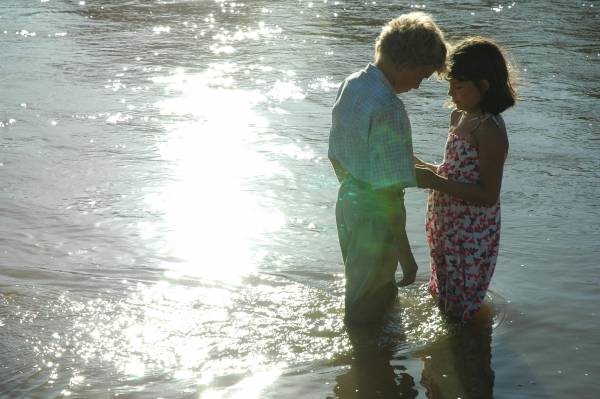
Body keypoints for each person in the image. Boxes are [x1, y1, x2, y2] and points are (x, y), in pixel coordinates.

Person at [328, 12, 448, 323]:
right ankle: (365, 358)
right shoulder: (390, 107)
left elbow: (336, 154)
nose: (419, 86)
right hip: (375, 216)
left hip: (347, 202)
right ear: (405, 65)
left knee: (363, 285)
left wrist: (354, 187)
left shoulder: (352, 85)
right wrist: (406, 257)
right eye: (421, 76)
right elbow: (390, 192)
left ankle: (372, 356)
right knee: (368, 300)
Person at [415, 36, 517, 323]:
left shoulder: (490, 128)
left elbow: (487, 194)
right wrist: (426, 168)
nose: (451, 93)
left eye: (458, 86)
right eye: (450, 84)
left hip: (471, 234)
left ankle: (469, 353)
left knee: (461, 310)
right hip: (445, 226)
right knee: (442, 297)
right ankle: (447, 360)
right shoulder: (459, 117)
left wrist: (434, 182)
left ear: (484, 86)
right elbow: (455, 171)